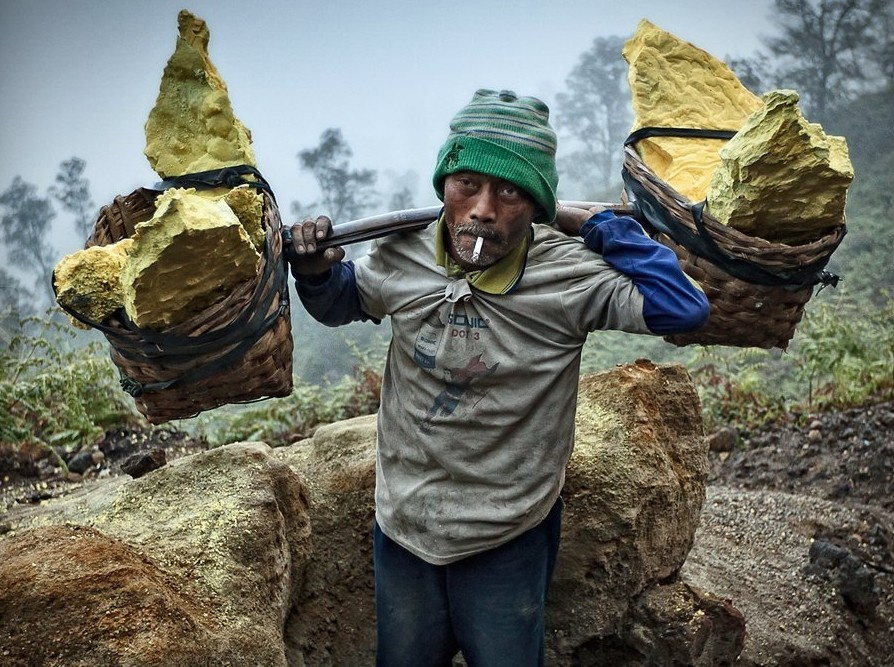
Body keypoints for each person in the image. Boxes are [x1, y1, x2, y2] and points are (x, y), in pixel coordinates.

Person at [286, 88, 709, 667]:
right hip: (406, 524)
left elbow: (684, 308)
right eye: (467, 185)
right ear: (444, 188)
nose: (483, 209)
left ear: (536, 205)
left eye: (509, 191)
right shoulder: (404, 256)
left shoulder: (567, 277)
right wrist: (312, 272)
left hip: (508, 532)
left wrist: (602, 229)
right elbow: (343, 301)